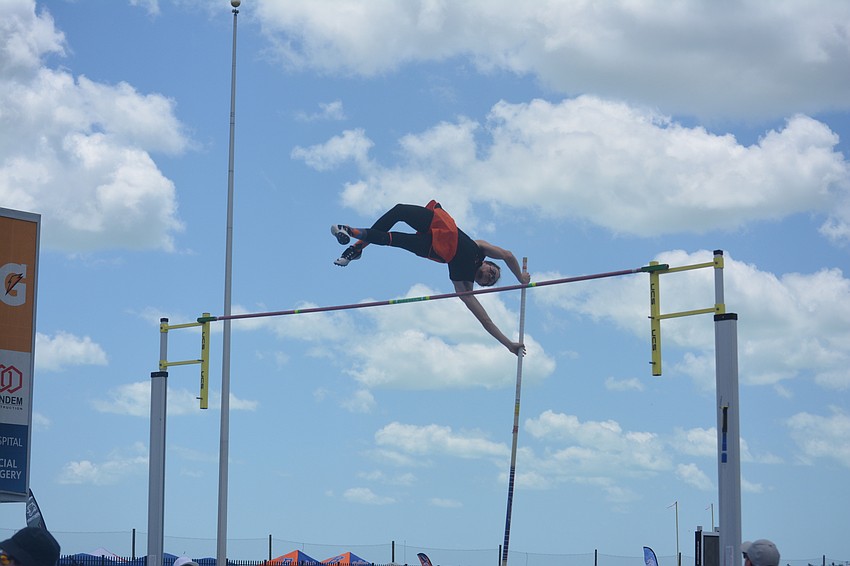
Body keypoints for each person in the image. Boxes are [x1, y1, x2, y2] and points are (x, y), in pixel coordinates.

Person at [331, 200, 530, 355]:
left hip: (432, 247)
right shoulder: (479, 248)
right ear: (488, 263)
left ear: (479, 283)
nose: (487, 277)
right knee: (400, 210)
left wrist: (508, 344)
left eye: (488, 282)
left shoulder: (464, 287)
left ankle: (352, 234)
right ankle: (357, 248)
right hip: (441, 225)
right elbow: (508, 255)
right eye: (492, 273)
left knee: (391, 239)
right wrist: (521, 278)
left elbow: (486, 321)